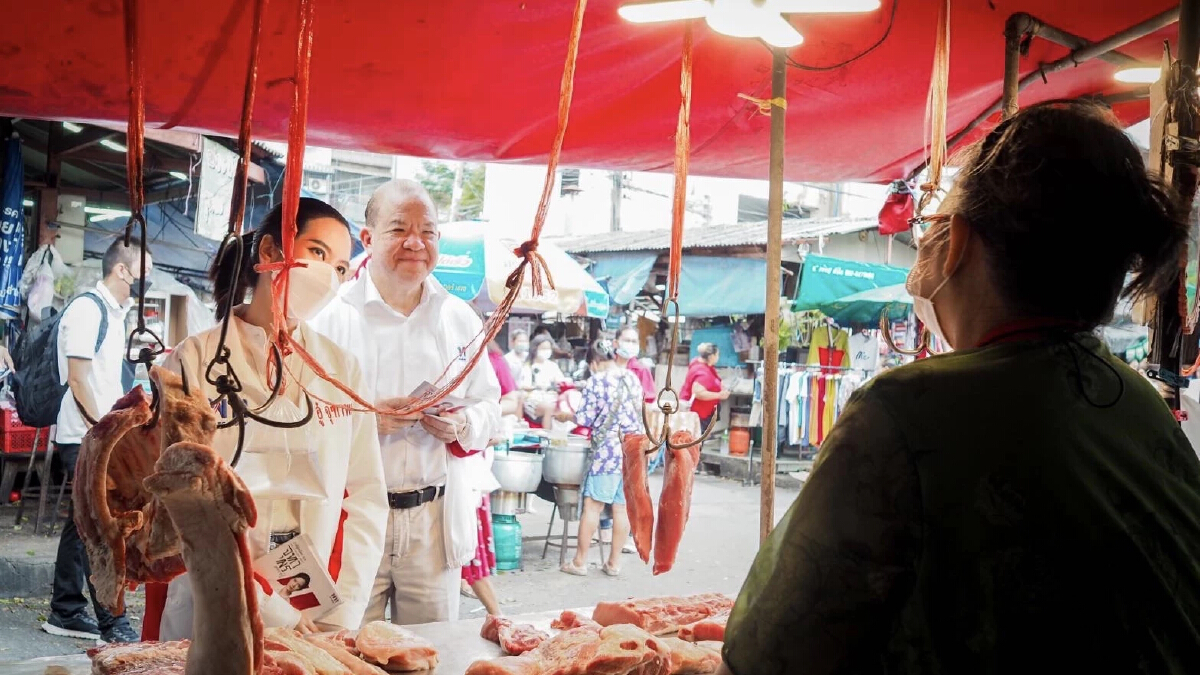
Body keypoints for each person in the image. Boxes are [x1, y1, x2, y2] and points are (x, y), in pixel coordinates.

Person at [719, 101, 1200, 675]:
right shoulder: (1138, 403)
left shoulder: (903, 410)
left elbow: (768, 657)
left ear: (958, 242)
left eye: (933, 226)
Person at [147, 198, 388, 639]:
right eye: (316, 253)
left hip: (317, 612)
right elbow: (184, 502)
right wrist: (271, 605)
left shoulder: (341, 369)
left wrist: (344, 609)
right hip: (213, 600)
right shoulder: (196, 358)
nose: (327, 276)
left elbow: (367, 496)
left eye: (339, 268)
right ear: (271, 252)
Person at [312, 179, 501, 625]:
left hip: (432, 518)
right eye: (399, 229)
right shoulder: (329, 315)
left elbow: (490, 407)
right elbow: (295, 412)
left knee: (432, 653)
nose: (415, 243)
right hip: (351, 515)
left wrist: (463, 425)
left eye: (428, 231)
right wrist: (364, 421)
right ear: (368, 238)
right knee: (349, 649)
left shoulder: (457, 316)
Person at [41, 238, 151, 644]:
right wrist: (98, 437)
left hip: (100, 437)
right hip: (84, 437)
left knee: (82, 523)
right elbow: (78, 378)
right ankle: (111, 621)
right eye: (144, 266)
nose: (147, 275)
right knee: (102, 527)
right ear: (122, 270)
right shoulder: (88, 309)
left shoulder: (114, 313)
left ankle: (65, 610)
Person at [561, 340, 642, 577]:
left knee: (593, 507)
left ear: (595, 362)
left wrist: (567, 416)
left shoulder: (596, 380)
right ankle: (613, 563)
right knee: (622, 509)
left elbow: (584, 419)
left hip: (607, 453)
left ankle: (579, 562)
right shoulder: (632, 379)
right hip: (631, 453)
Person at [681, 342, 729, 432]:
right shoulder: (703, 372)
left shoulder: (698, 362)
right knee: (695, 441)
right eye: (717, 355)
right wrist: (719, 395)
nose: (718, 357)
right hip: (698, 414)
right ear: (711, 357)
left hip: (701, 413)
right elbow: (698, 393)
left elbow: (714, 377)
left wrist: (720, 385)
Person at [616, 327, 655, 404]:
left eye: (634, 342)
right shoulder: (608, 367)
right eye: (627, 340)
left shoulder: (642, 370)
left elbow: (648, 401)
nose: (630, 344)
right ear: (615, 343)